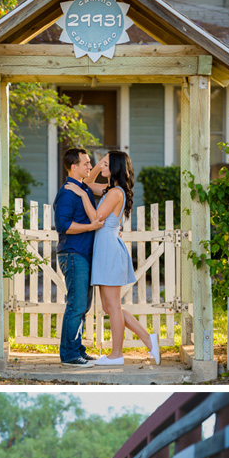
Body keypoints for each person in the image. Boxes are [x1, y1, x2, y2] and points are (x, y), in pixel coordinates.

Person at [65, 150, 160, 367]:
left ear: (116, 168)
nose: (100, 168)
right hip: (104, 248)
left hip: (108, 249)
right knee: (110, 307)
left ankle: (117, 354)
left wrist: (81, 196)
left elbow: (95, 218)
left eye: (107, 164)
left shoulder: (116, 193)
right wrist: (99, 164)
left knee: (114, 307)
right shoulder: (109, 190)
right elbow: (86, 183)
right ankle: (148, 339)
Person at [54, 148, 106, 367]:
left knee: (82, 306)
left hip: (83, 254)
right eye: (85, 163)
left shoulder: (81, 188)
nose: (89, 166)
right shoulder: (68, 192)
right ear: (73, 167)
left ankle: (77, 350)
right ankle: (69, 355)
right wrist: (91, 226)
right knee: (76, 305)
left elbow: (97, 184)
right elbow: (63, 225)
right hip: (73, 254)